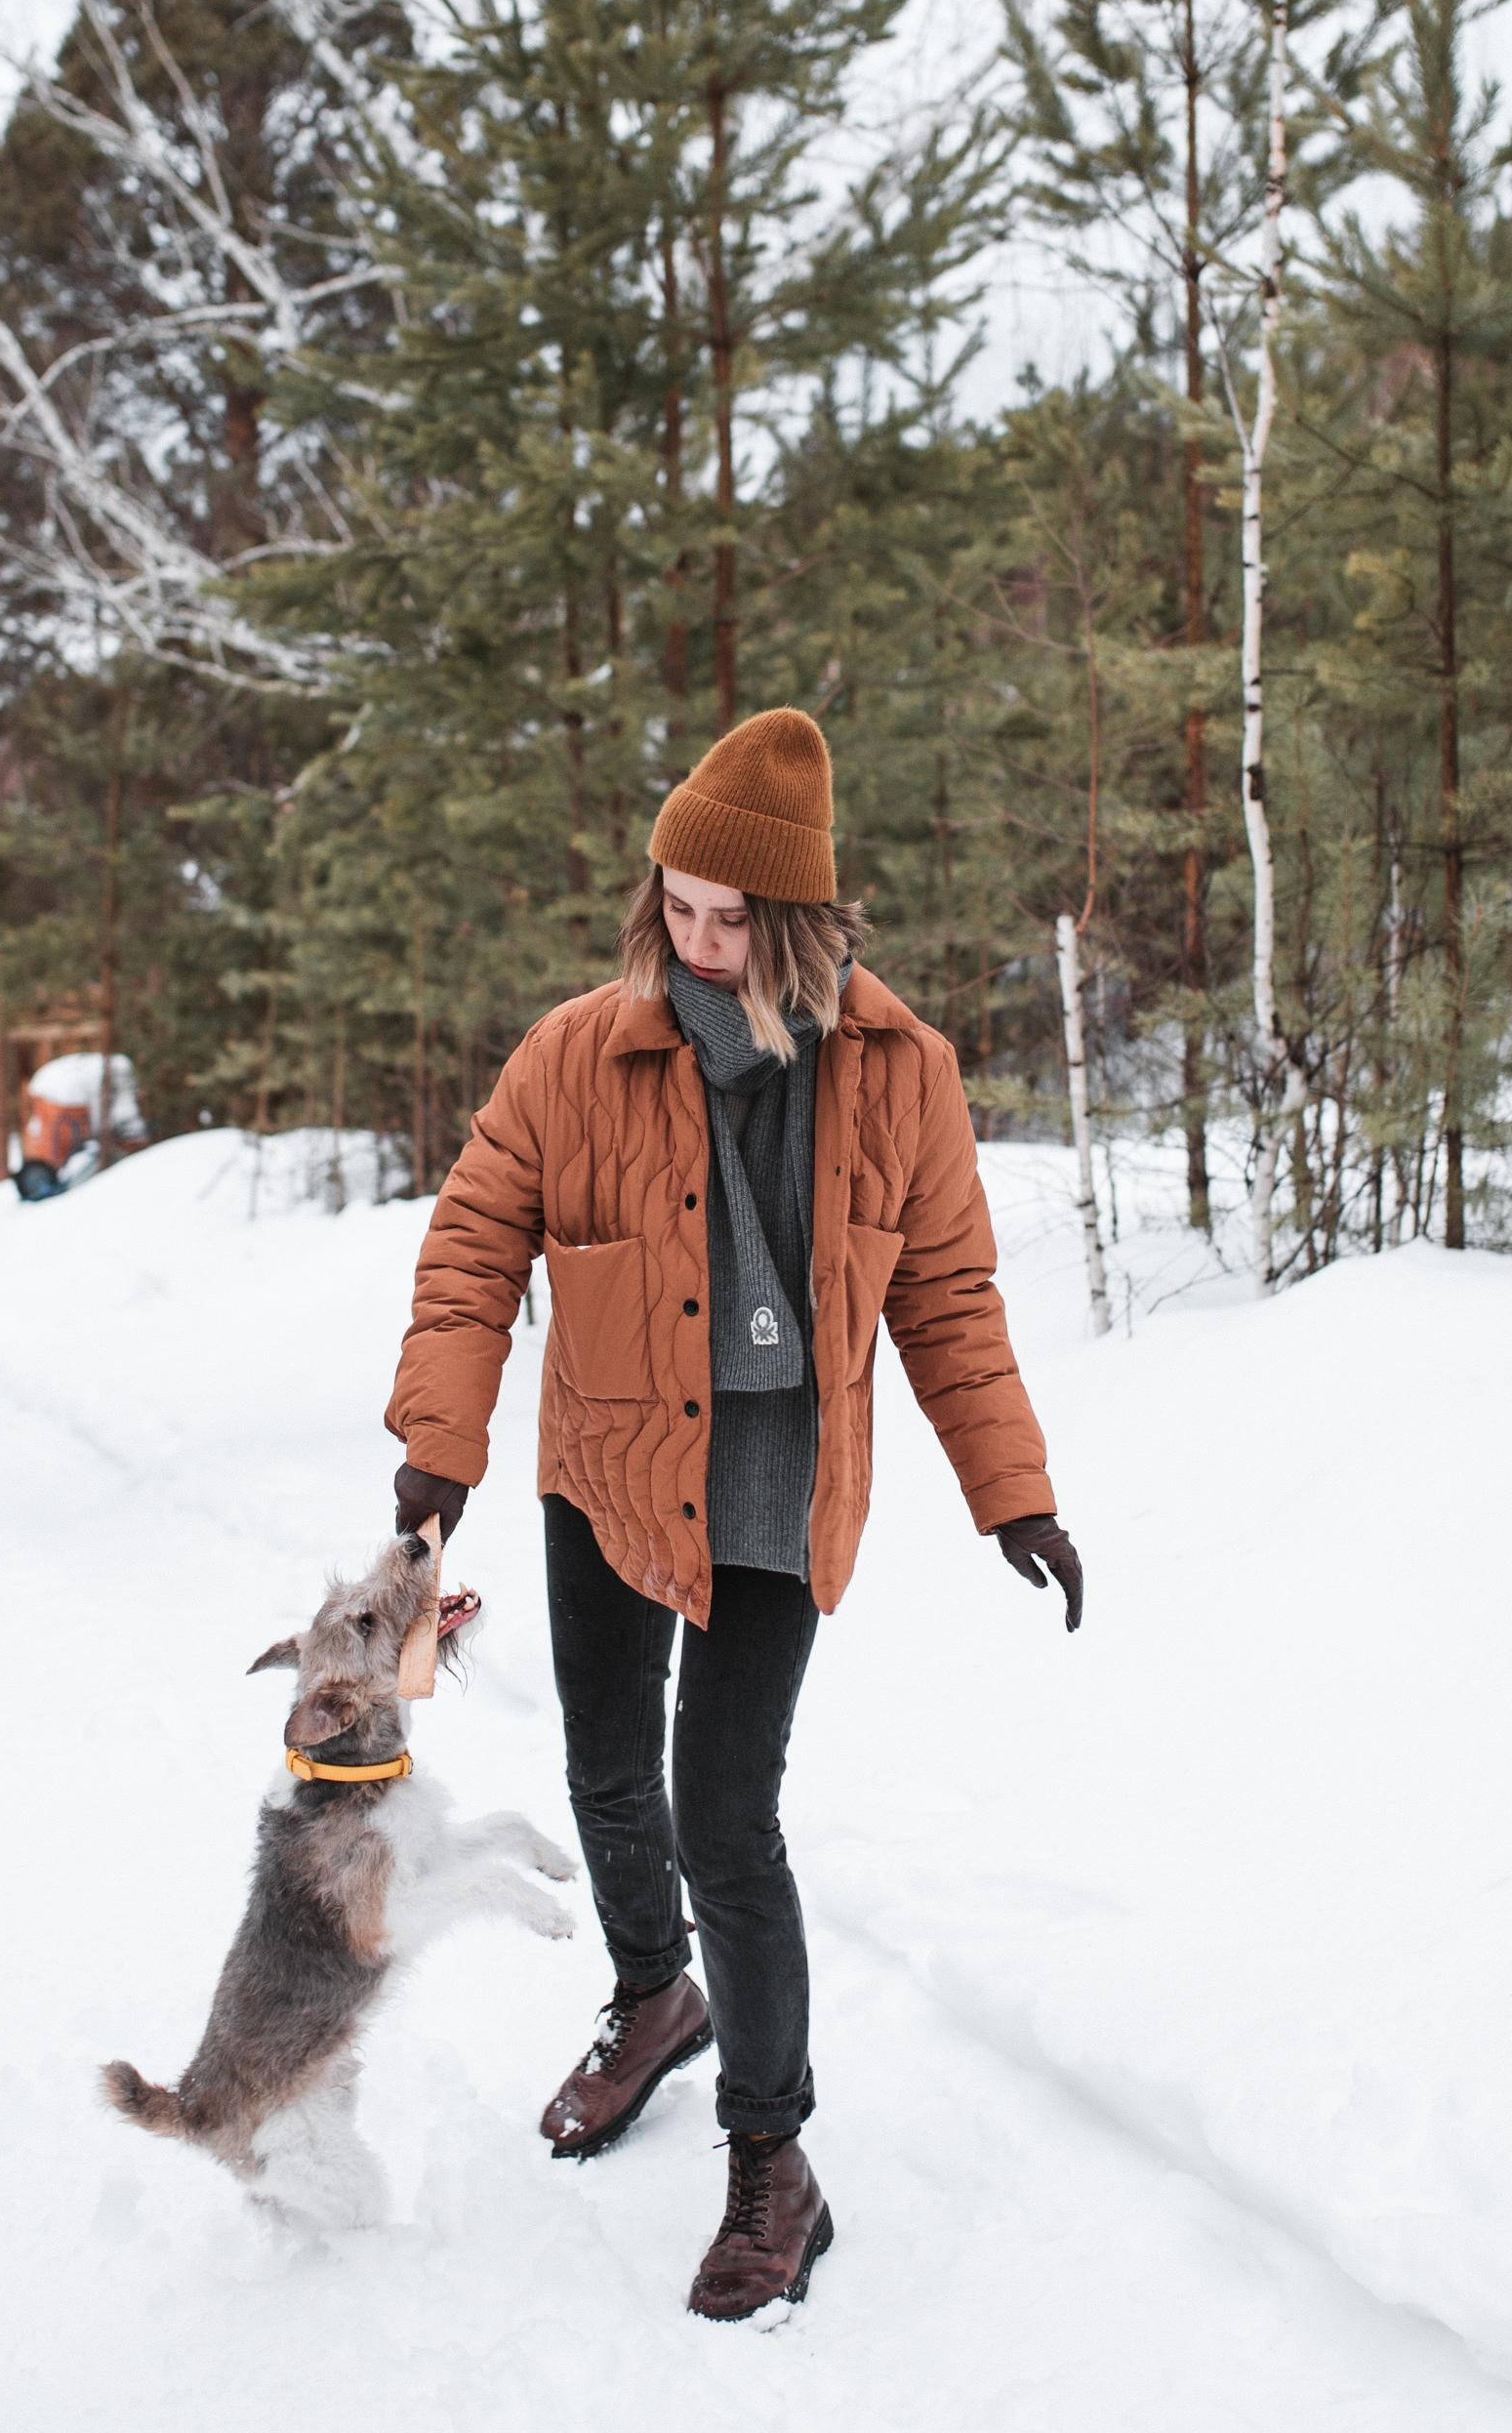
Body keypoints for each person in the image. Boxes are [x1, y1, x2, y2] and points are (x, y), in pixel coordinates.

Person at [386, 707, 1081, 2319]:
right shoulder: (575, 1052)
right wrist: (441, 1445)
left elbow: (953, 1300)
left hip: (778, 1486)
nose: (699, 946)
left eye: (732, 920)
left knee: (726, 1819)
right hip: (611, 1465)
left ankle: (775, 2160)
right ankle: (652, 1996)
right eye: (679, 910)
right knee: (605, 1767)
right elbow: (475, 1244)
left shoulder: (901, 1074)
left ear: (801, 922)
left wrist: (1013, 1492)